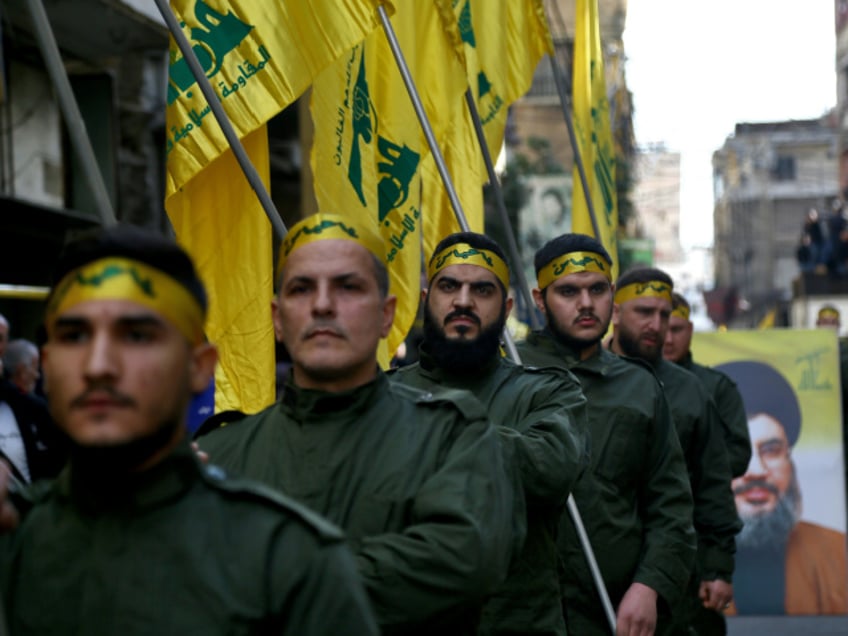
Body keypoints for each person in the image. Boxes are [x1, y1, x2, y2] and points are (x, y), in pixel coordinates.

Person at [0, 223, 379, 635]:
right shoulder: (17, 537)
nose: (98, 366)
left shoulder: (286, 560)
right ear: (48, 362)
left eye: (138, 336)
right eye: (75, 335)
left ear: (199, 367)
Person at [197, 213, 517, 636]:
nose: (323, 304)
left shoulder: (451, 437)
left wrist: (266, 571)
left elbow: (466, 559)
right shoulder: (219, 455)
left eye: (348, 287)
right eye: (301, 288)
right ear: (276, 317)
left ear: (387, 315)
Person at [390, 231, 588, 636]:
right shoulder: (383, 394)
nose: (463, 301)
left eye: (482, 289)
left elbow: (550, 468)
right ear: (427, 298)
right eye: (449, 286)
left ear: (507, 306)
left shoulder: (548, 391)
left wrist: (420, 429)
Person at [516, 233, 696, 636]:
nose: (584, 303)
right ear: (540, 298)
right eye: (567, 291)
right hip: (521, 613)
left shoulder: (640, 386)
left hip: (612, 612)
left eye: (596, 289)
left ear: (612, 297)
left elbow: (670, 504)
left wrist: (651, 584)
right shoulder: (507, 373)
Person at [609, 268, 740, 634]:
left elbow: (714, 483)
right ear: (616, 312)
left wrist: (717, 568)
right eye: (644, 312)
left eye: (664, 315)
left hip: (676, 569)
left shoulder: (692, 392)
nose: (656, 324)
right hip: (599, 567)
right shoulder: (585, 379)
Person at [716, 360, 848, 615]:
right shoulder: (676, 557)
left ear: (790, 461)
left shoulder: (835, 551)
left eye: (771, 450)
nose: (756, 470)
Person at [663, 292, 751, 478]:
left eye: (676, 330)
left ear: (690, 329)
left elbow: (738, 455)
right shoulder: (635, 382)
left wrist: (686, 472)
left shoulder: (717, 387)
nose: (668, 339)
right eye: (663, 330)